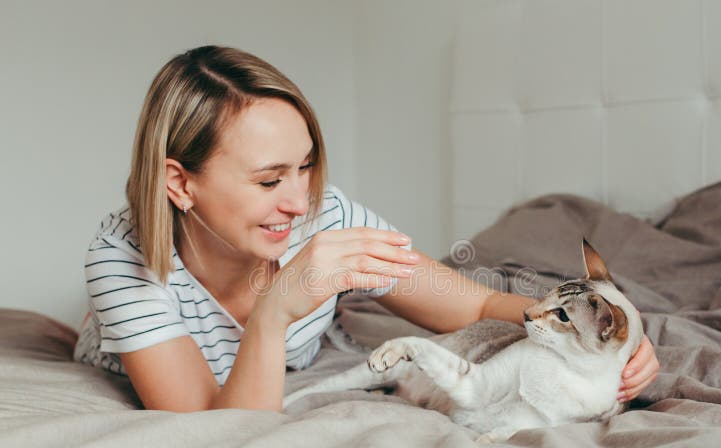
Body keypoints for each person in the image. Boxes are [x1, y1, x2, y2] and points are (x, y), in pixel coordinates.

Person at [73, 45, 659, 412]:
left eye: (305, 167)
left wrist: (611, 336)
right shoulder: (121, 262)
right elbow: (216, 428)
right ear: (179, 184)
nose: (300, 201)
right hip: (138, 346)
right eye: (268, 179)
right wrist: (277, 307)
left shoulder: (328, 216)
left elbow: (475, 306)